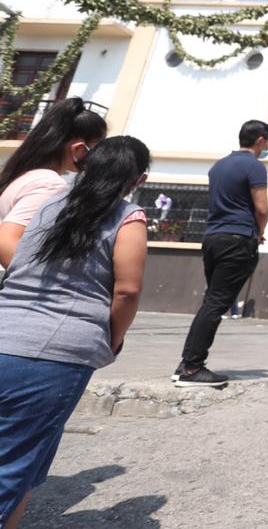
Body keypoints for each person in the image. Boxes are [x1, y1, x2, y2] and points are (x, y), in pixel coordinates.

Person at [0, 136, 150, 527]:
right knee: (12, 464)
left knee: (28, 462)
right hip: (55, 356)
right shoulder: (128, 217)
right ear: (139, 178)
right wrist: (111, 340)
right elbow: (127, 290)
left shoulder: (49, 206)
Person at [174, 120, 268, 388]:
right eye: (267, 142)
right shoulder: (254, 166)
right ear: (261, 140)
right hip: (238, 240)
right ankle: (193, 367)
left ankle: (186, 362)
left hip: (213, 237)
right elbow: (261, 209)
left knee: (210, 302)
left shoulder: (219, 165)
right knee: (216, 304)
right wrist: (258, 232)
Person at [0, 98, 108, 275]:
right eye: (96, 149)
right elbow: (5, 241)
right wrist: (35, 285)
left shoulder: (26, 175)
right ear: (79, 149)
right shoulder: (49, 185)